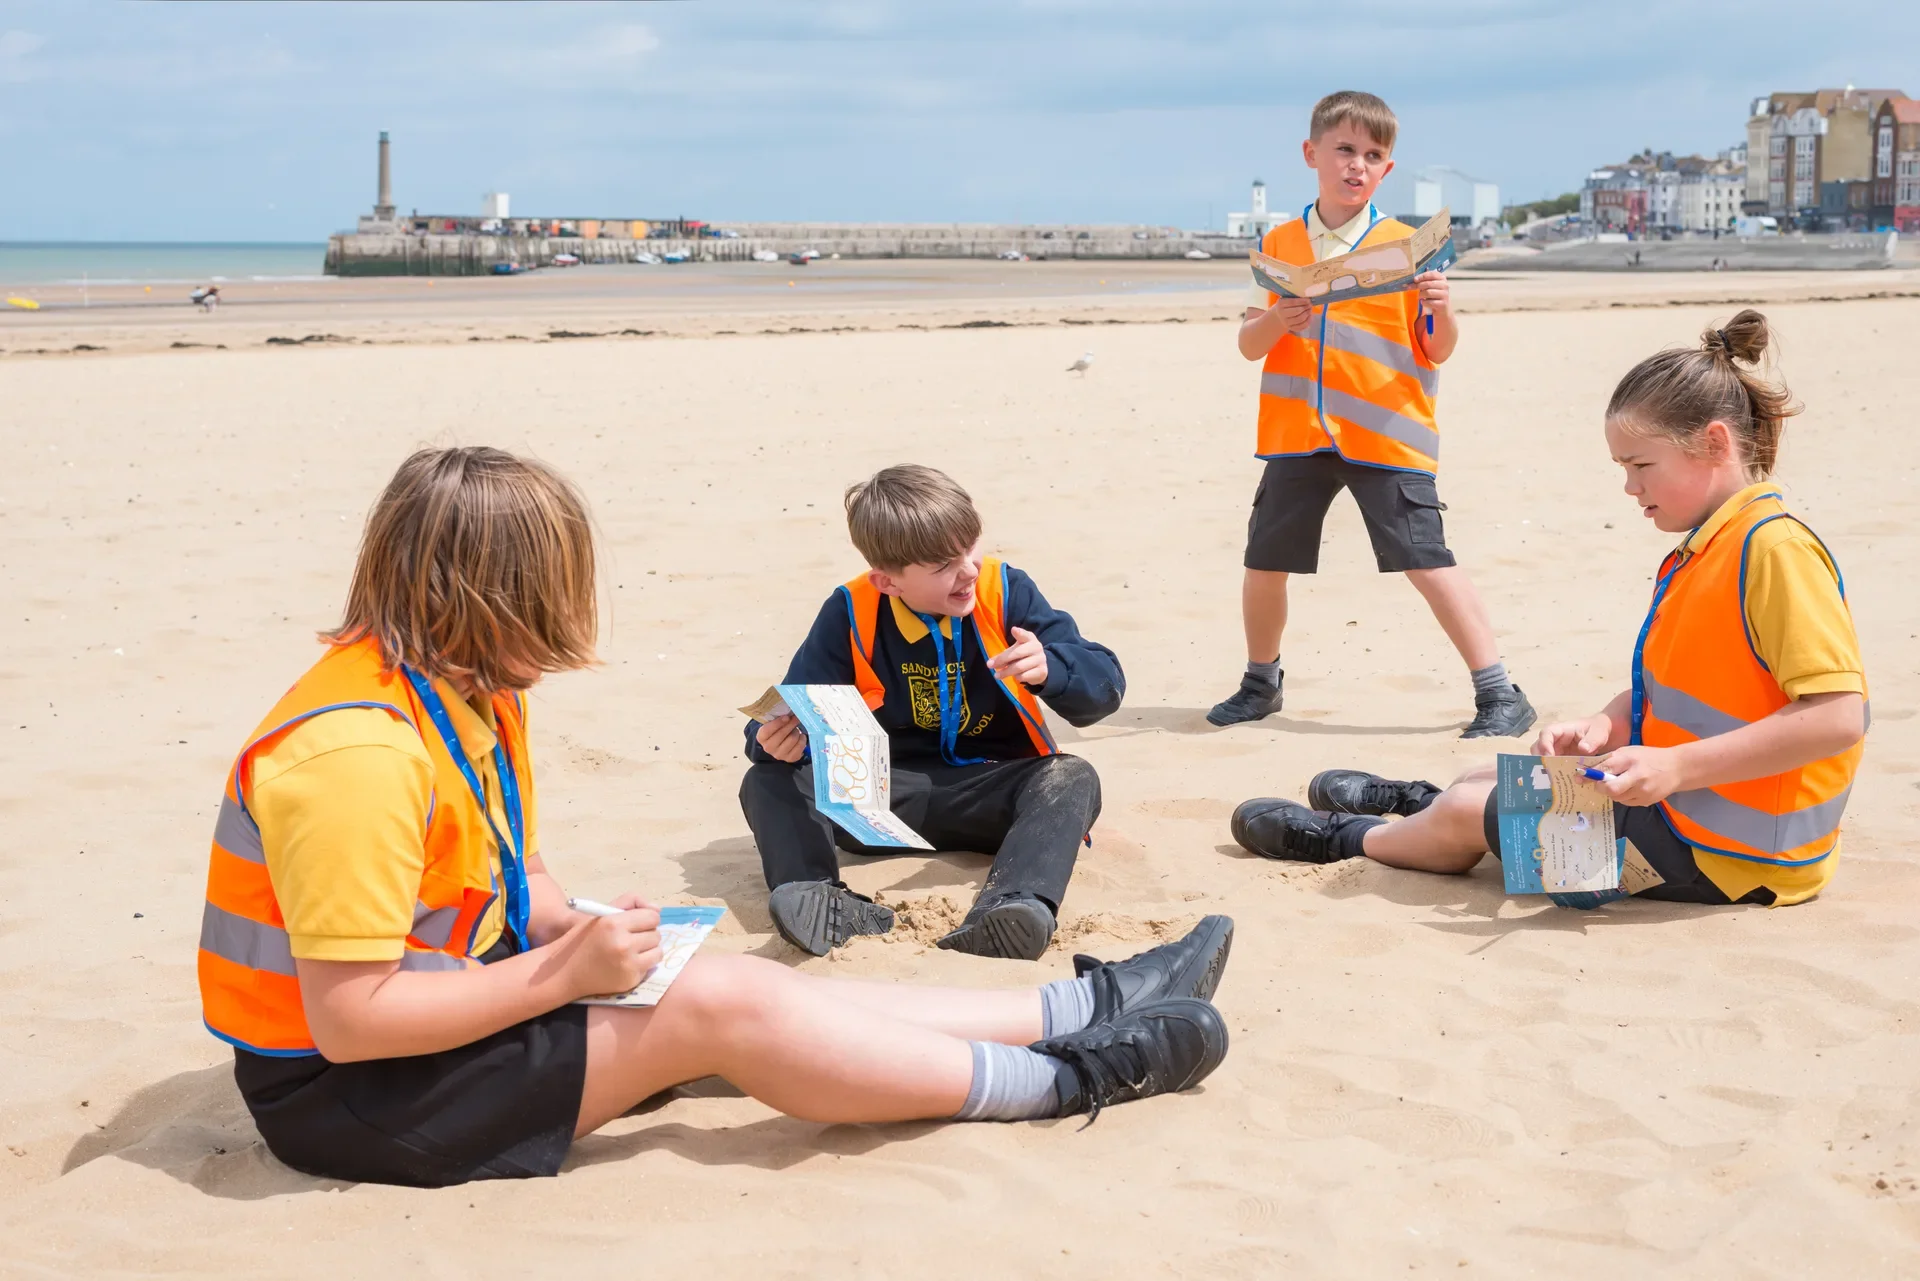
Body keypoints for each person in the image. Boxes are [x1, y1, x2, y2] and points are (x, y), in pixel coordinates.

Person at [197, 446, 1233, 1188]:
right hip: (360, 1101)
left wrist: (573, 927)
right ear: (500, 597)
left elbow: (517, 868)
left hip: (450, 1021)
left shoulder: (463, 687)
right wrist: (565, 970)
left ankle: (1073, 1013)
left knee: (713, 978)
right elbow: (350, 1020)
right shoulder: (357, 754)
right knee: (717, 1009)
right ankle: (1064, 1078)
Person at [1229, 311, 1868, 909]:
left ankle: (1353, 837)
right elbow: (1691, 685)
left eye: (1642, 465)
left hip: (1736, 861)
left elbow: (1839, 716)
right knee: (1487, 778)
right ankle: (1432, 805)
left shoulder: (1775, 550)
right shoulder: (1714, 545)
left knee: (1464, 816)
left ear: (1715, 443)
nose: (1630, 487)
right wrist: (1609, 721)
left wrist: (1674, 765)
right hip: (1689, 809)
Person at [1210, 90, 1534, 739]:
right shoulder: (1279, 243)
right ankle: (1260, 680)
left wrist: (1441, 306)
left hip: (1386, 433)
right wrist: (1278, 317)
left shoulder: (1408, 247)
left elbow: (1437, 348)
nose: (1358, 164)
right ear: (1312, 154)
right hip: (1298, 433)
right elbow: (1249, 344)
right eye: (1345, 150)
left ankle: (1500, 691)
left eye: (1374, 155)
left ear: (1387, 169)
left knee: (1426, 556)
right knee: (1264, 561)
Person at [742, 464, 1123, 960]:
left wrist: (1054, 668)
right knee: (766, 781)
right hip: (880, 799)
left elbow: (1105, 686)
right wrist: (766, 739)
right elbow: (793, 707)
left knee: (1071, 776)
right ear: (888, 581)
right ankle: (816, 895)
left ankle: (1013, 905)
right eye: (943, 565)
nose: (968, 571)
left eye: (971, 547)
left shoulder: (1005, 592)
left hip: (992, 795)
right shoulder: (850, 611)